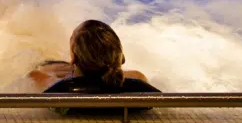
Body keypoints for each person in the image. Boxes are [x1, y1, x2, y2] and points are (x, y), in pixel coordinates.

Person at [29, 20, 157, 95]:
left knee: (40, 70)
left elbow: (34, 78)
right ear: (121, 57)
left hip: (67, 75)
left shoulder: (60, 89)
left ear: (73, 57)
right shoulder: (139, 86)